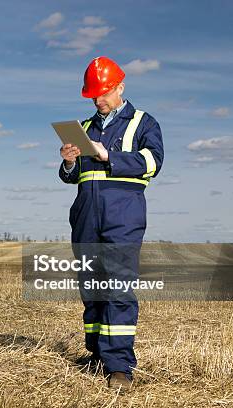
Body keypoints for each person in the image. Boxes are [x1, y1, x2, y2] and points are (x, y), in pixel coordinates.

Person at [58, 56, 164, 391]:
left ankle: (119, 366)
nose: (98, 100)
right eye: (93, 96)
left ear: (121, 87)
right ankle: (96, 355)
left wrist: (109, 156)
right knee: (91, 288)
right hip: (86, 216)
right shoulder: (85, 128)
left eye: (103, 93)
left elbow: (153, 162)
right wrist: (69, 162)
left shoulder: (143, 123)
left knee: (118, 289)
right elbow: (73, 177)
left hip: (123, 217)